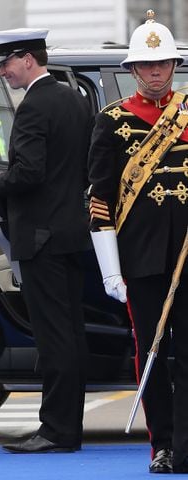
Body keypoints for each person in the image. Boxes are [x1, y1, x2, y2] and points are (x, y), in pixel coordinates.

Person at [0, 28, 92, 453]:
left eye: (6, 63)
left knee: (54, 338)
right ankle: (67, 427)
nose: (3, 71)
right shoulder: (74, 98)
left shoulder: (32, 107)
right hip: (68, 232)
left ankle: (57, 431)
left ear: (28, 59)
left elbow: (29, 174)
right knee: (72, 335)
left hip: (40, 237)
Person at [88, 10, 188, 474]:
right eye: (147, 65)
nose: (155, 71)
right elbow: (100, 200)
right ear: (132, 69)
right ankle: (163, 445)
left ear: (174, 66)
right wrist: (111, 269)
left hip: (187, 258)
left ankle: (186, 445)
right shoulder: (111, 120)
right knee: (152, 349)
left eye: (163, 63)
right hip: (141, 258)